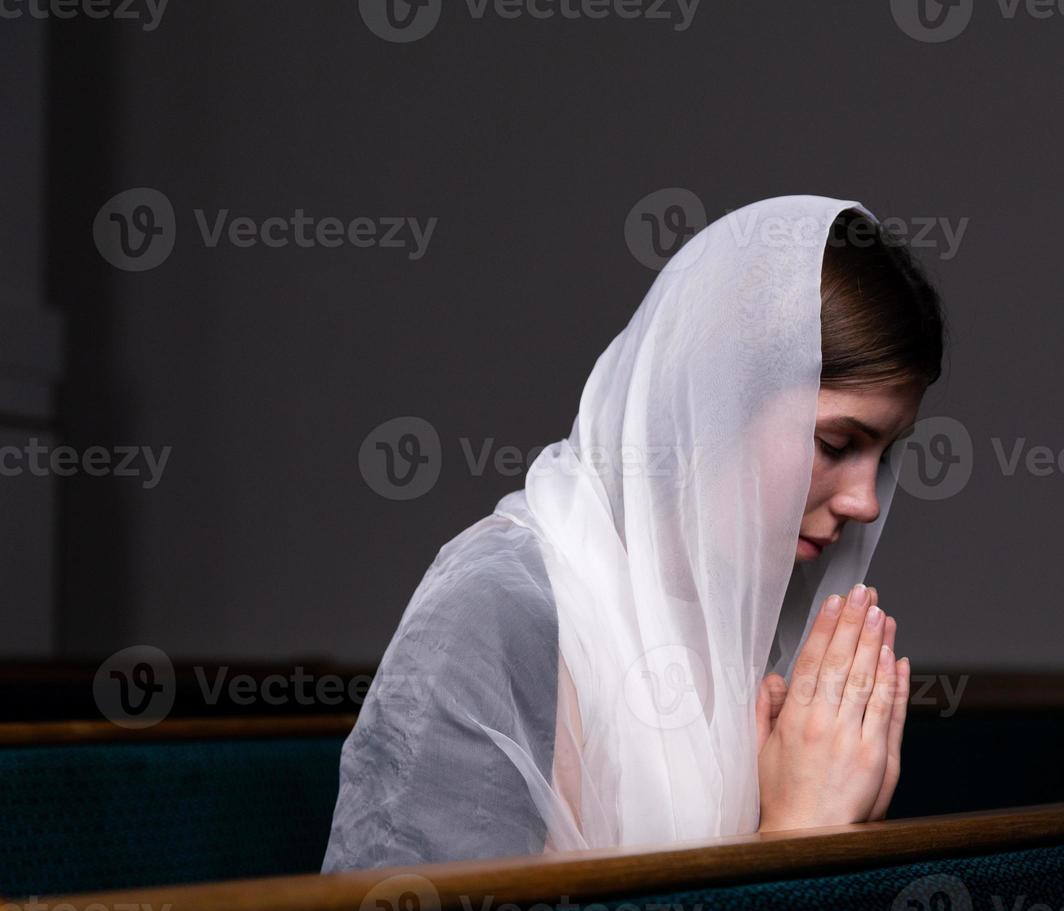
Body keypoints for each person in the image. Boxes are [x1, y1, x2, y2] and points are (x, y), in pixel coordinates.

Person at [322, 195, 946, 870]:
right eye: (835, 442)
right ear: (713, 396)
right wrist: (797, 838)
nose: (867, 501)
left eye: (886, 455)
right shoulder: (501, 609)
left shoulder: (759, 623)